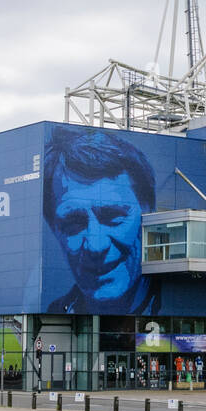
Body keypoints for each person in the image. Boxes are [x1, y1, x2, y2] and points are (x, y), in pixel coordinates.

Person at [43, 128, 158, 314]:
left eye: (113, 217)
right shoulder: (52, 314)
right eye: (74, 224)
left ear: (149, 212)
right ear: (54, 229)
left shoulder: (187, 305)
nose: (96, 246)